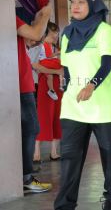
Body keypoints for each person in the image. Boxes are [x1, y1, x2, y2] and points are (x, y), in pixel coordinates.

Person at [54, 0, 111, 210]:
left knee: (108, 154)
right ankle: (65, 204)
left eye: (81, 2)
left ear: (93, 4)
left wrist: (91, 86)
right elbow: (65, 67)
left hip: (102, 105)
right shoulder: (66, 34)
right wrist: (68, 89)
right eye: (73, 1)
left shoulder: (104, 30)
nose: (75, 6)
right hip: (74, 106)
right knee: (70, 157)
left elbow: (106, 64)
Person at [16, 5, 54, 193]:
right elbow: (37, 34)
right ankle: (25, 178)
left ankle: (24, 175)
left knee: (28, 130)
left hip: (23, 86)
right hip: (20, 87)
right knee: (31, 128)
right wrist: (45, 14)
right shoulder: (10, 17)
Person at [33, 22, 62, 164]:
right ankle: (36, 152)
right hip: (45, 84)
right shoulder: (40, 47)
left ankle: (53, 151)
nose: (56, 35)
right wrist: (57, 69)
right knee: (44, 116)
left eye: (56, 32)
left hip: (56, 83)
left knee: (56, 116)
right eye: (53, 32)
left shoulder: (54, 48)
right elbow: (38, 67)